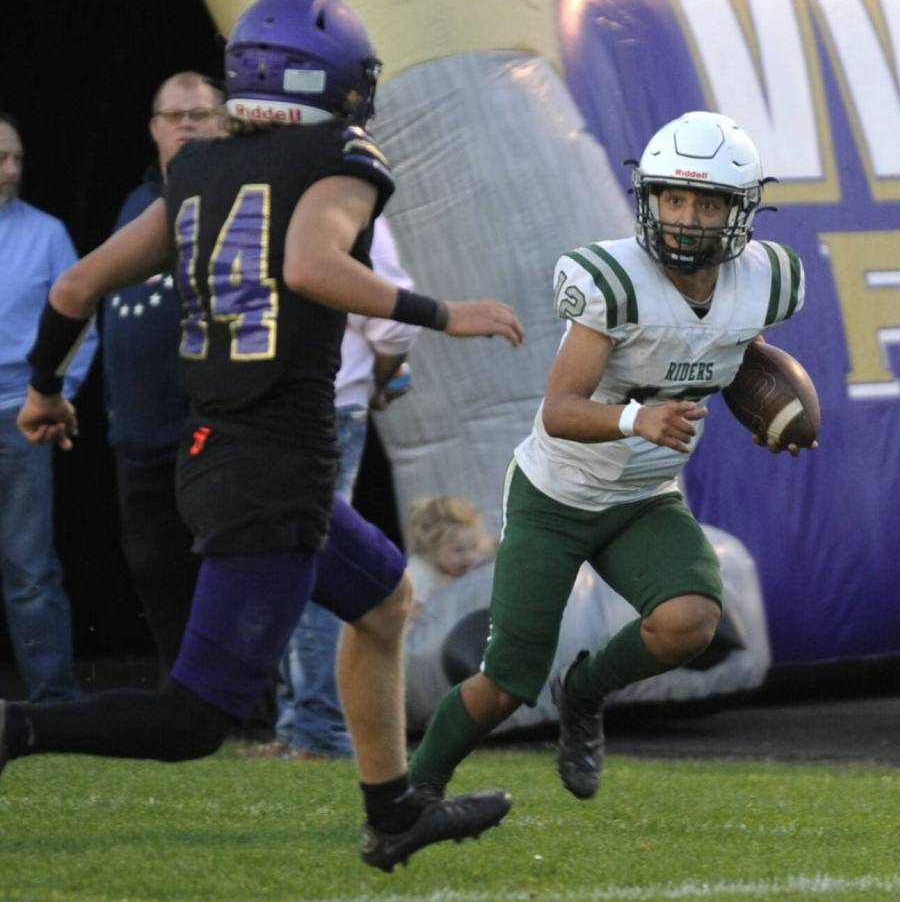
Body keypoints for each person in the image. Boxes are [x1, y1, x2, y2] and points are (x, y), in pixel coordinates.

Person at [2, 0, 523, 872]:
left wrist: (48, 388)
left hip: (231, 455)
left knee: (384, 600)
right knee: (193, 718)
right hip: (270, 466)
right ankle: (15, 729)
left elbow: (74, 290)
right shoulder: (339, 155)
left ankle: (392, 809)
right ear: (333, 80)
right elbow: (312, 264)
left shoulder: (197, 168)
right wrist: (443, 312)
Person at [409, 110, 813, 803]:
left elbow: (728, 342)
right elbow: (560, 411)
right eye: (672, 197)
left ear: (739, 211)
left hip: (641, 498)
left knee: (691, 622)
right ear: (649, 199)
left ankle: (586, 692)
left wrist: (775, 413)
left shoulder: (766, 280)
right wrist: (638, 416)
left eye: (706, 202)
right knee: (506, 685)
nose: (685, 217)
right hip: (558, 497)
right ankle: (408, 800)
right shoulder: (614, 279)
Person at [272, 216, 419, 761]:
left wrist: (378, 378)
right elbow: (392, 326)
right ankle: (301, 723)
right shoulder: (335, 203)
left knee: (314, 566)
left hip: (322, 410)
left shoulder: (348, 210)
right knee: (295, 563)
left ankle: (315, 727)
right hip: (308, 410)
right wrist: (381, 378)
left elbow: (394, 321)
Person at [102, 72, 226, 683]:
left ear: (226, 124)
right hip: (138, 434)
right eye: (174, 116)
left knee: (221, 567)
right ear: (153, 128)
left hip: (205, 429)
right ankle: (179, 689)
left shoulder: (239, 201)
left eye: (199, 114)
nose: (185, 124)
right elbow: (102, 301)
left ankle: (239, 700)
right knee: (153, 565)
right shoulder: (135, 203)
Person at [0, 112, 98, 705]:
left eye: (16, 158)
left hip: (19, 414)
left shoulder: (46, 232)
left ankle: (54, 705)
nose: (11, 170)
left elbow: (82, 322)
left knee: (29, 569)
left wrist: (56, 397)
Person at [405, 495, 496, 623]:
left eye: (473, 546)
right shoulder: (419, 575)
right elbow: (405, 617)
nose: (470, 556)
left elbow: (489, 545)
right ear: (432, 546)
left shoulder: (459, 552)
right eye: (458, 550)